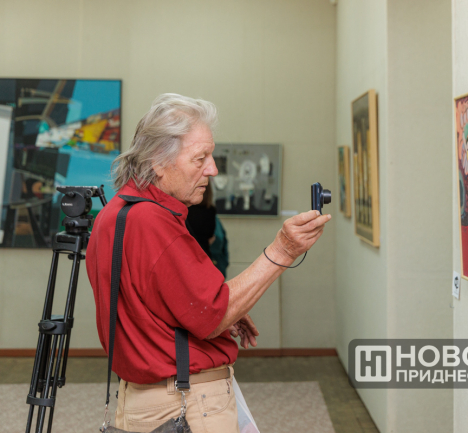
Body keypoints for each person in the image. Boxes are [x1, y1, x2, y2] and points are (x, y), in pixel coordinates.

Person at [86, 93, 330, 432]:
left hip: (142, 399)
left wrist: (226, 307)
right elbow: (212, 315)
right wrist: (283, 250)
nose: (212, 169)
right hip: (183, 404)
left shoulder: (114, 214)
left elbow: (157, 306)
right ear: (158, 162)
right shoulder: (154, 222)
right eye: (200, 158)